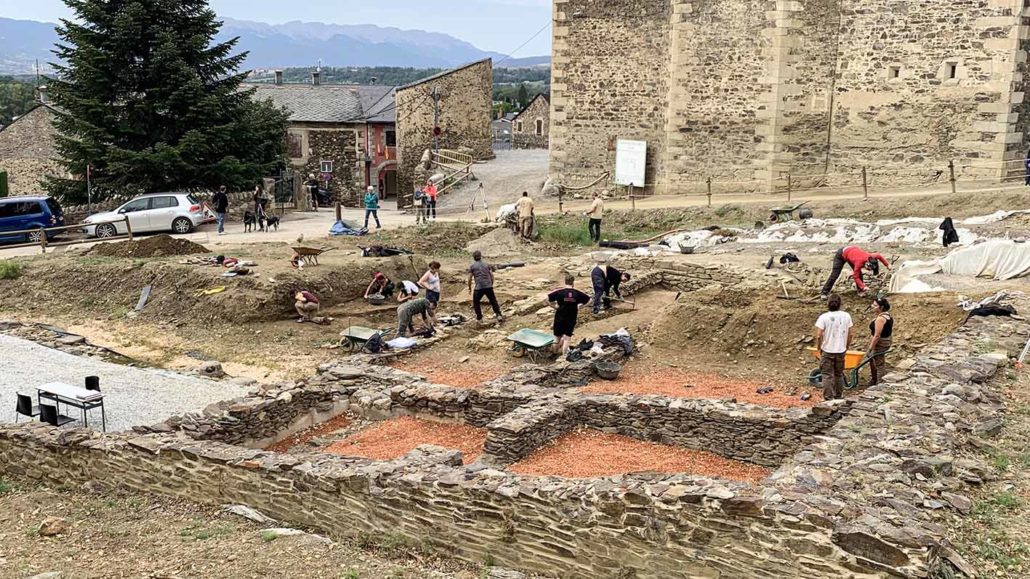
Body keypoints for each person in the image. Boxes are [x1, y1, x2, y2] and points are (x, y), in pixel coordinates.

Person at [814, 294, 853, 400]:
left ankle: (828, 397)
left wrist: (819, 347)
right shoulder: (846, 316)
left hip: (827, 349)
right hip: (841, 350)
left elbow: (819, 335)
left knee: (827, 375)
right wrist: (846, 346)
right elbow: (850, 334)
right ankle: (838, 395)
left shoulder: (824, 317)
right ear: (840, 304)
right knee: (838, 374)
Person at [819, 246, 891, 298]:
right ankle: (824, 292)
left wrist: (887, 265)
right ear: (866, 263)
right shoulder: (859, 262)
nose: (867, 269)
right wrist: (863, 286)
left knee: (859, 273)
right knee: (835, 275)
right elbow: (855, 276)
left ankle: (860, 291)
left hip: (852, 253)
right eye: (867, 268)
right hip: (841, 254)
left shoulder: (872, 256)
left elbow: (879, 256)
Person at [548, 274, 591, 356]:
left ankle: (554, 353)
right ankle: (564, 357)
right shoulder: (577, 293)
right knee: (567, 338)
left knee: (557, 337)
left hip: (559, 316)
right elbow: (590, 300)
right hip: (571, 317)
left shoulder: (559, 292)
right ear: (573, 282)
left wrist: (554, 306)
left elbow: (546, 299)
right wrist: (581, 306)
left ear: (565, 282)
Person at [467, 250, 504, 323]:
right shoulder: (487, 264)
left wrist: (469, 288)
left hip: (479, 287)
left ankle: (479, 318)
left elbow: (469, 278)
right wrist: (491, 284)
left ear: (474, 257)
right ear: (480, 256)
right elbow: (491, 275)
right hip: (488, 286)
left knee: (476, 302)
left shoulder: (472, 266)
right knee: (493, 300)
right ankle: (498, 315)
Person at [867, 297, 894, 386]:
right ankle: (874, 379)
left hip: (880, 343)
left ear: (881, 307)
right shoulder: (887, 316)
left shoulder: (880, 319)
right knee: (873, 360)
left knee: (879, 363)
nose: (872, 306)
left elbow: (877, 335)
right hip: (886, 341)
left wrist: (870, 348)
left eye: (875, 305)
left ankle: (879, 383)